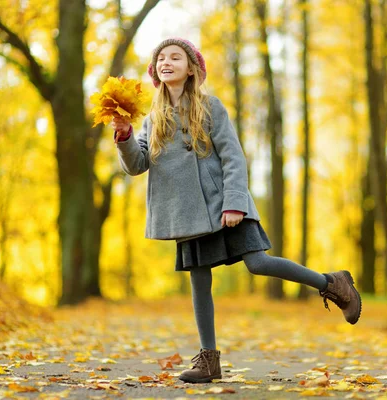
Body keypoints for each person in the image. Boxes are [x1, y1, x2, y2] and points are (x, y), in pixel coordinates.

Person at [112, 38, 362, 384]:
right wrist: (124, 138)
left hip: (223, 203)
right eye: (161, 58)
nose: (166, 61)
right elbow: (137, 165)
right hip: (186, 215)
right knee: (199, 281)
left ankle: (333, 285)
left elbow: (232, 156)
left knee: (258, 264)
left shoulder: (210, 107)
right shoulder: (152, 120)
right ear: (155, 71)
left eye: (175, 57)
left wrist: (234, 202)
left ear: (191, 68)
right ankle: (208, 361)